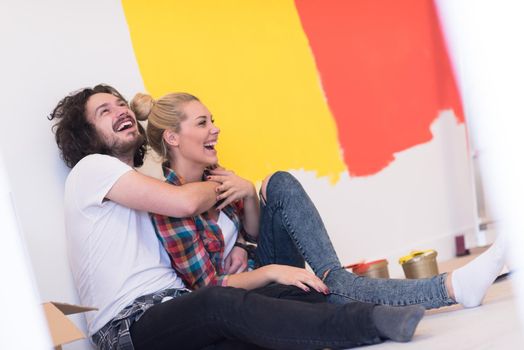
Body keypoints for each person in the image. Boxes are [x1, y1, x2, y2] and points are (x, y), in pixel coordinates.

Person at [49, 84, 427, 350]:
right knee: (220, 303)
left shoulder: (142, 183)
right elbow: (184, 204)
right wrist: (233, 188)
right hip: (129, 325)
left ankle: (371, 305)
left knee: (277, 307)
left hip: (177, 310)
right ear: (87, 134)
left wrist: (245, 234)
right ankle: (370, 323)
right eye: (105, 111)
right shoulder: (91, 169)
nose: (121, 110)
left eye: (120, 103)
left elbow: (196, 220)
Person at [132, 90, 508, 311]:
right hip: (241, 297)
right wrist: (273, 272)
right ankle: (453, 288)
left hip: (259, 270)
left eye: (212, 119)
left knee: (277, 182)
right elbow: (209, 289)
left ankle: (336, 276)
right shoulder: (170, 204)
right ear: (172, 138)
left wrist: (248, 197)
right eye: (202, 123)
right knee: (334, 292)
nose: (215, 128)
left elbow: (251, 238)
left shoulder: (219, 177)